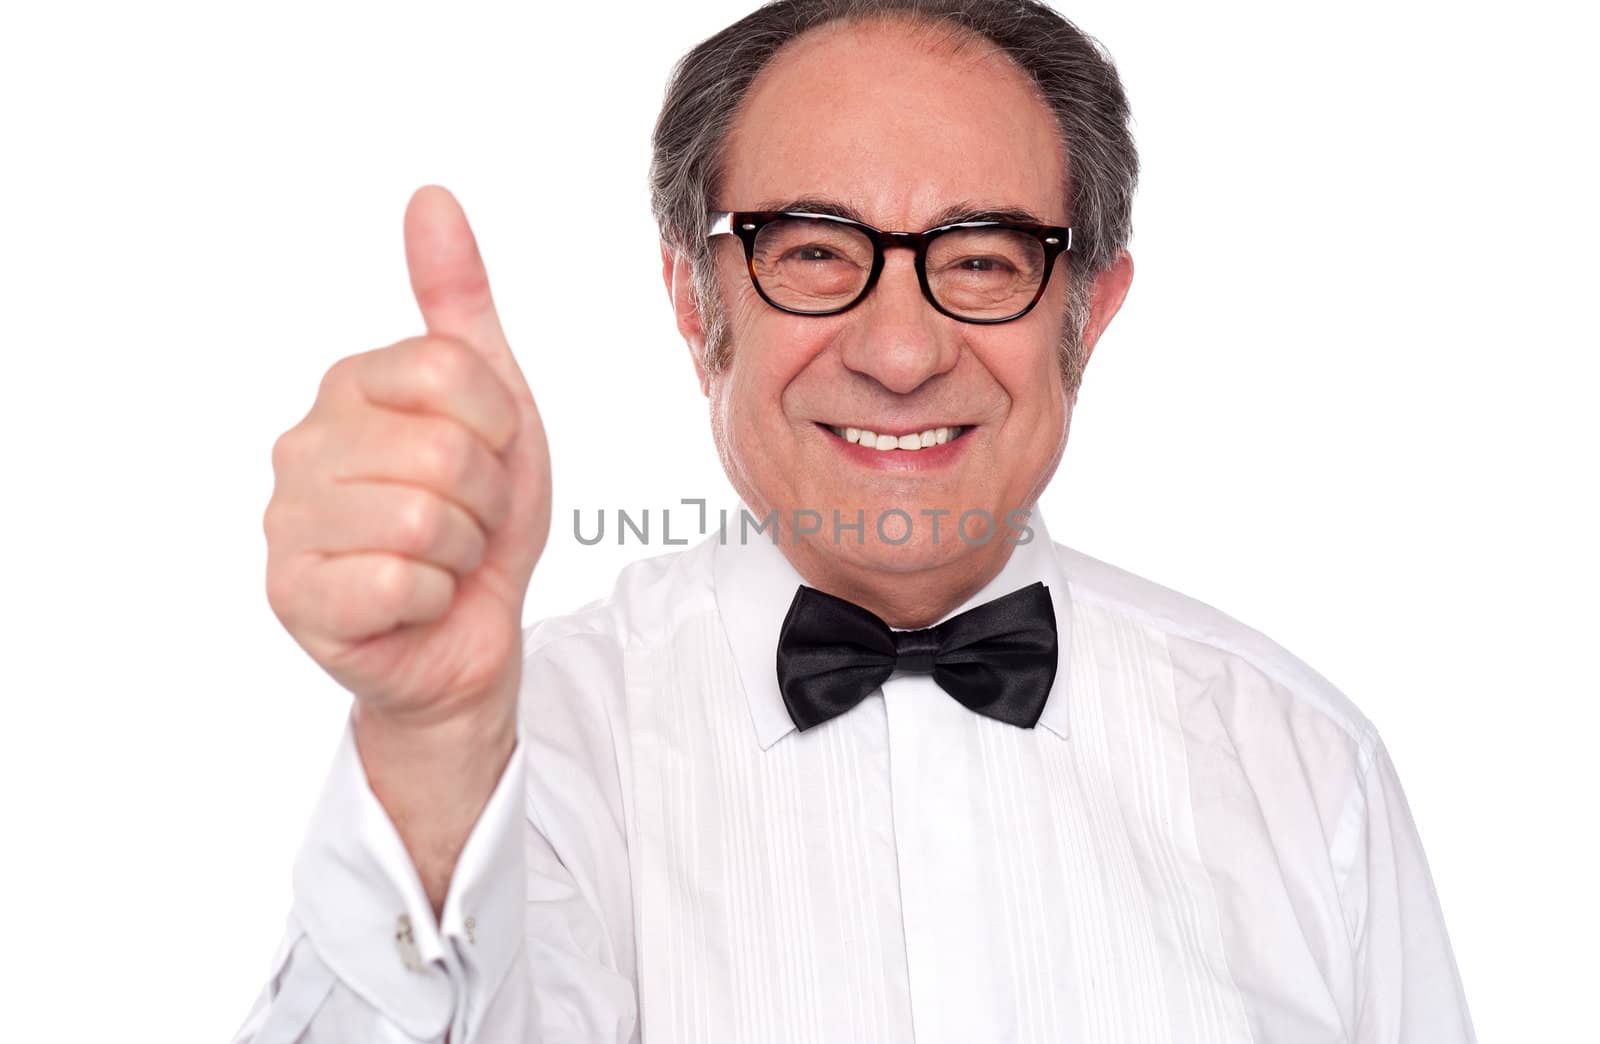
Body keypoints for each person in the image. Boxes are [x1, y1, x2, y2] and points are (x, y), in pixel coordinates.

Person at [235, 1, 1475, 1041]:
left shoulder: (1306, 768)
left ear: (1088, 311)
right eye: (817, 253)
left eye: (984, 258)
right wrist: (435, 742)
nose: (897, 350)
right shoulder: (536, 751)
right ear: (691, 296)